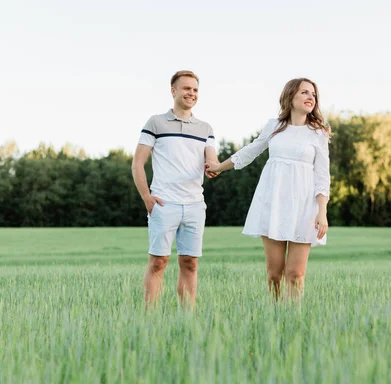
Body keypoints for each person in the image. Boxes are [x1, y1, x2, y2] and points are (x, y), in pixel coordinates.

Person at [205, 78, 330, 301]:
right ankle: (274, 316)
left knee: (296, 274)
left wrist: (322, 211)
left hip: (304, 206)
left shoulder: (318, 134)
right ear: (290, 97)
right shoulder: (274, 127)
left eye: (313, 94)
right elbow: (250, 151)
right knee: (274, 274)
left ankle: (293, 321)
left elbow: (322, 175)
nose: (311, 97)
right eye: (304, 92)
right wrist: (219, 167)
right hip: (273, 202)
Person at [132, 70, 219, 309]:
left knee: (190, 263)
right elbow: (138, 162)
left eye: (195, 89)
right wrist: (146, 198)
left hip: (194, 205)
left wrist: (214, 167)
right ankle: (149, 318)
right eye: (186, 88)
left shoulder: (206, 128)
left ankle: (186, 319)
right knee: (158, 262)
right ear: (174, 91)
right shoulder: (156, 123)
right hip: (164, 203)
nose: (191, 93)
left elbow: (211, 159)